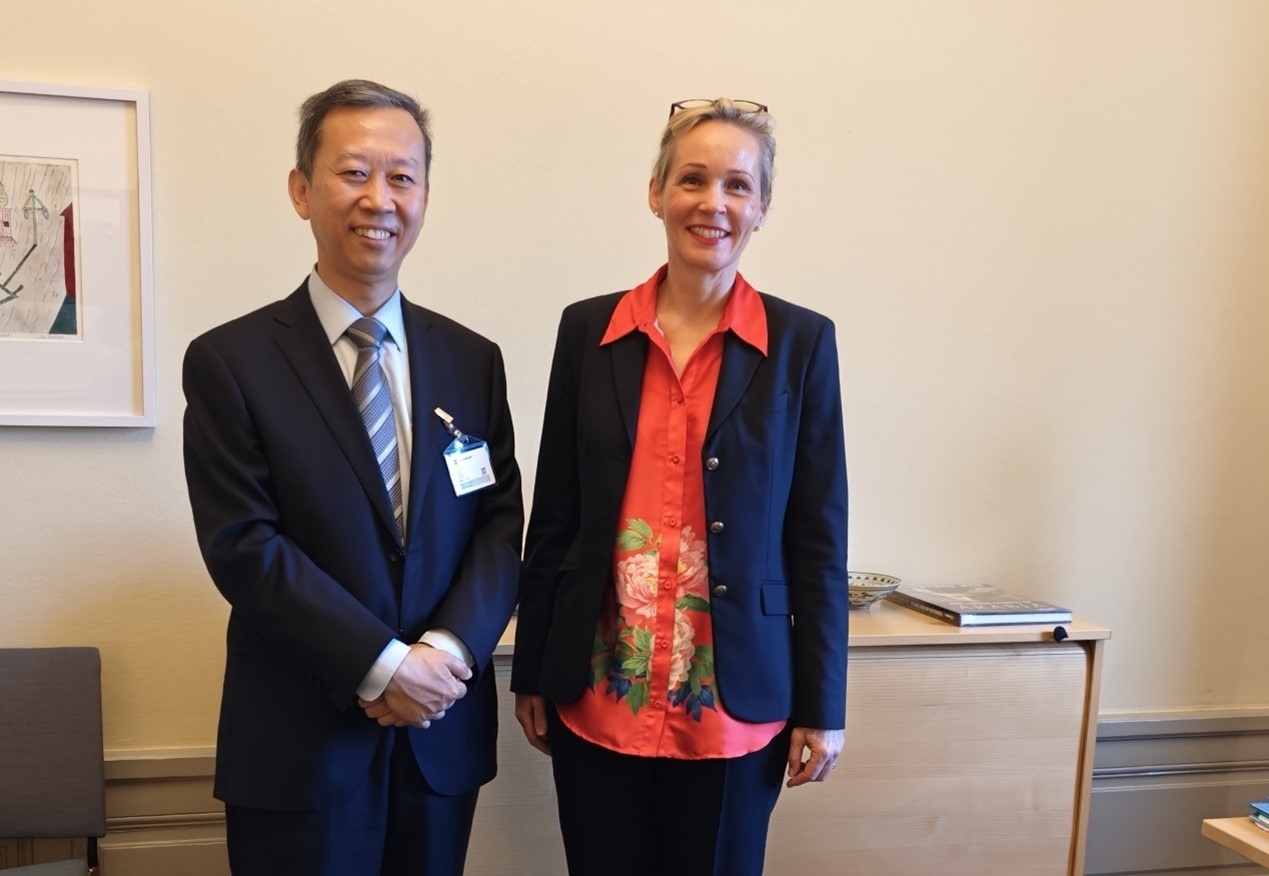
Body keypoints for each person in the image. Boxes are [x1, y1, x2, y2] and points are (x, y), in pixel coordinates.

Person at [182, 79, 523, 876]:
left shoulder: (471, 360)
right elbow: (244, 545)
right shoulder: (232, 361)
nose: (379, 199)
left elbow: (498, 526)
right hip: (300, 744)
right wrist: (384, 664)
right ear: (302, 190)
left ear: (425, 197)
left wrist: (441, 653)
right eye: (353, 172)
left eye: (402, 176)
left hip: (439, 736)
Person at [511, 97, 849, 875]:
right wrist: (532, 670)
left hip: (734, 704)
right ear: (656, 191)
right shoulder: (587, 331)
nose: (712, 202)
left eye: (737, 185)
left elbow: (817, 536)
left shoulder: (801, 343)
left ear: (762, 206)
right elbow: (555, 512)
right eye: (692, 179)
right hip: (597, 692)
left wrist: (822, 706)